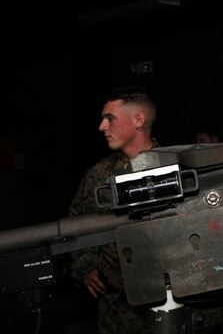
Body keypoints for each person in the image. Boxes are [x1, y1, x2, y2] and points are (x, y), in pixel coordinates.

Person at [68, 86, 159, 334]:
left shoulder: (174, 168)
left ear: (138, 120)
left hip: (169, 303)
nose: (101, 127)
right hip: (117, 311)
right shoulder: (100, 175)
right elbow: (76, 224)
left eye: (110, 118)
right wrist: (85, 267)